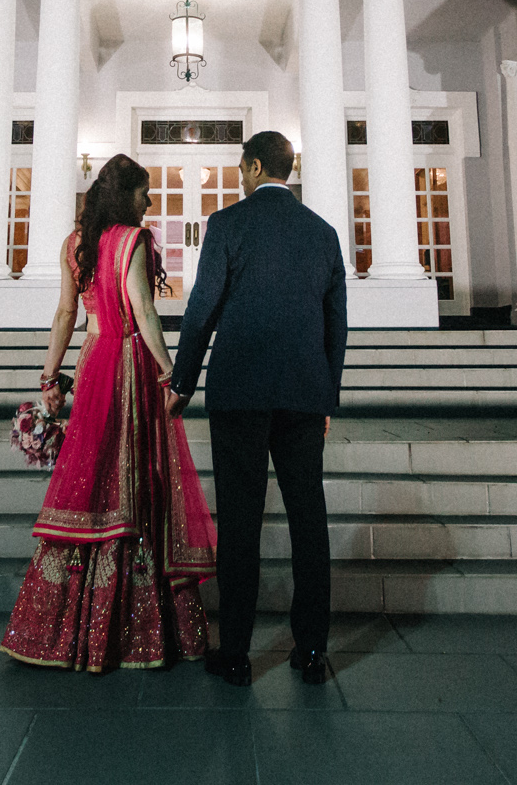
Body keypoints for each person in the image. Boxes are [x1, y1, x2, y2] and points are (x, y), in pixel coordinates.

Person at [0, 153, 216, 672]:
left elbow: (65, 313)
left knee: (94, 475)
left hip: (93, 363)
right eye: (145, 192)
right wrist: (172, 374)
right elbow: (142, 310)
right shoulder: (133, 241)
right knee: (136, 477)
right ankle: (137, 625)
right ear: (128, 195)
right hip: (129, 366)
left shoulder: (75, 244)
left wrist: (50, 378)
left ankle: (70, 627)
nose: (150, 201)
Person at [170, 130, 346, 687]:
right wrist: (326, 395)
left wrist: (182, 381)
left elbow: (202, 310)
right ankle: (313, 651)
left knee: (241, 522)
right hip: (303, 392)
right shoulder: (323, 233)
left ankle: (238, 654)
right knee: (308, 519)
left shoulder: (227, 225)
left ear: (252, 166)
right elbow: (336, 324)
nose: (240, 177)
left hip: (239, 391)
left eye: (241, 168)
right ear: (288, 170)